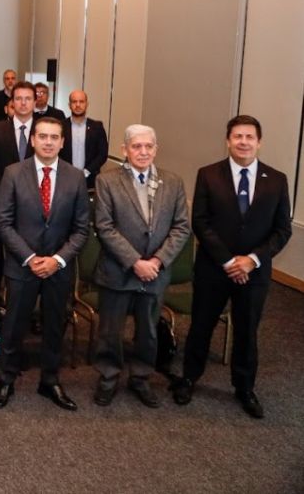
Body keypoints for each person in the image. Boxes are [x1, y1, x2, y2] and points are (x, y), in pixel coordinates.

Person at [172, 115, 292, 419]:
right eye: (238, 136)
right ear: (228, 141)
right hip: (214, 268)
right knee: (201, 326)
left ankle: (244, 388)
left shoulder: (277, 180)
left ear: (259, 142)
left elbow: (282, 230)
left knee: (247, 331)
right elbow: (201, 222)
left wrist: (251, 260)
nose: (243, 142)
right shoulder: (208, 174)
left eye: (250, 137)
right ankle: (189, 378)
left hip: (255, 272)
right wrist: (228, 260)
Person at [0, 117, 89, 411]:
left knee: (54, 327)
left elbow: (81, 229)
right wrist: (31, 258)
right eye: (42, 136)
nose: (48, 142)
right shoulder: (13, 173)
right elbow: (3, 223)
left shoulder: (75, 177)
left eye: (54, 137)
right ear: (32, 140)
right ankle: (6, 380)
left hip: (59, 267)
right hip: (22, 265)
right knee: (14, 326)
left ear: (62, 142)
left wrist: (57, 260)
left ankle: (50, 381)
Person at [92, 124, 190, 407]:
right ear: (124, 150)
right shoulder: (107, 181)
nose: (143, 152)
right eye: (136, 146)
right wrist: (135, 262)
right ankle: (108, 377)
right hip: (118, 271)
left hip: (155, 274)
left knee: (148, 332)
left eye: (149, 146)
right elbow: (105, 227)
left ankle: (141, 378)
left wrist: (157, 261)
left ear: (156, 149)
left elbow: (181, 227)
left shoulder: (173, 182)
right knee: (110, 332)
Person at [0, 80, 37, 303]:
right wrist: (5, 196)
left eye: (28, 99)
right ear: (11, 102)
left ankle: (28, 304)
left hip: (35, 207)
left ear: (35, 102)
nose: (23, 103)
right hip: (2, 205)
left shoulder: (44, 131)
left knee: (31, 255)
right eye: (18, 99)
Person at [60, 90, 109, 189]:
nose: (78, 105)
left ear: (87, 104)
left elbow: (102, 154)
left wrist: (86, 172)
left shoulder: (97, 127)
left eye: (81, 101)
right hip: (64, 178)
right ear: (69, 105)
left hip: (90, 180)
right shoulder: (60, 126)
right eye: (74, 102)